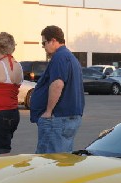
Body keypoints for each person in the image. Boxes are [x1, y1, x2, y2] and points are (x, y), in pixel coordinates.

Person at [29, 25, 85, 153]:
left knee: (49, 162)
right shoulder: (71, 58)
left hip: (58, 119)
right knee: (63, 160)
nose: (43, 47)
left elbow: (57, 84)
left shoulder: (59, 58)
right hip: (69, 117)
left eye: (44, 43)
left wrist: (48, 112)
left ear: (53, 41)